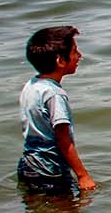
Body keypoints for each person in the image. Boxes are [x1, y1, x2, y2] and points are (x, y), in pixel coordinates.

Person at [18, 26, 96, 197]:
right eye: (75, 51)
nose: (80, 56)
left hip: (29, 164)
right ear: (60, 60)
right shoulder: (54, 94)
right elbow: (62, 138)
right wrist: (83, 175)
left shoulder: (31, 85)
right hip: (50, 168)